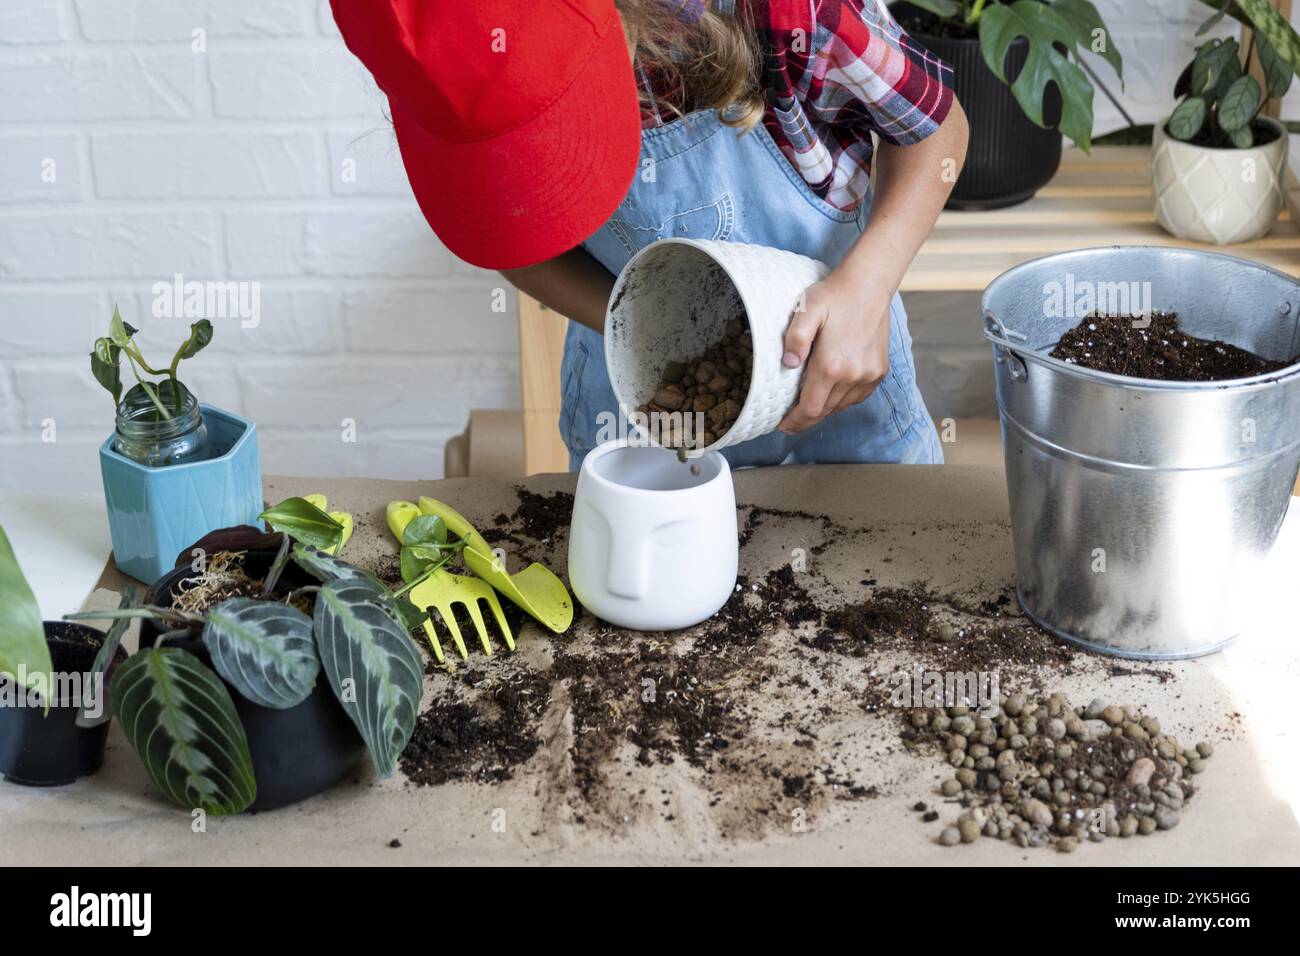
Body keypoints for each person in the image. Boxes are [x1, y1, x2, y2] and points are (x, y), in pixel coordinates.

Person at [331, 0, 968, 470]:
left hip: (844, 392)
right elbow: (513, 244)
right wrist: (635, 333)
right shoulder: (433, 65)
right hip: (635, 416)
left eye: (553, 132)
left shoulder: (784, 15)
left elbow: (939, 132)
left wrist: (867, 287)